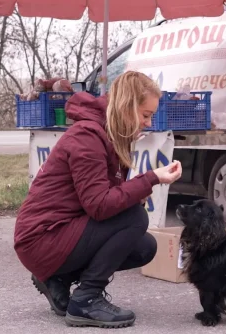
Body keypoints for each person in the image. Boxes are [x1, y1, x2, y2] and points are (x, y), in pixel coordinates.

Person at [13, 71, 182, 328]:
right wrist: (149, 179)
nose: (148, 123)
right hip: (41, 238)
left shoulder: (108, 135)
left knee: (144, 247)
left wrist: (134, 192)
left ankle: (59, 278)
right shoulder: (87, 137)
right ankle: (86, 300)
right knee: (135, 219)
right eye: (146, 115)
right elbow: (100, 206)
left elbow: (102, 197)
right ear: (126, 108)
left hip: (59, 231)